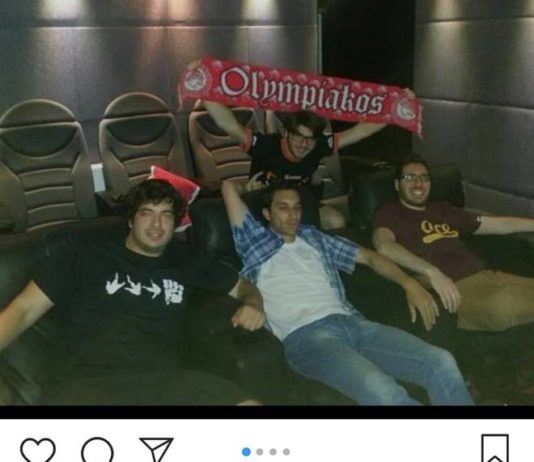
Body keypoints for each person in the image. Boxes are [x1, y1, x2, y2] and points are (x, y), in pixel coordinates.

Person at [0, 179, 265, 405]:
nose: (156, 225)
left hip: (166, 383)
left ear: (175, 223)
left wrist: (254, 304)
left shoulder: (186, 259)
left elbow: (243, 285)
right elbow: (24, 309)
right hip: (89, 386)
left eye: (166, 215)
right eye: (146, 213)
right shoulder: (85, 255)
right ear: (130, 219)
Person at [220, 179, 473, 405]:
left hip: (353, 323)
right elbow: (227, 187)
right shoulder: (254, 240)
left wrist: (410, 284)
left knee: (441, 362)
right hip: (306, 336)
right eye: (283, 208)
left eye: (297, 208)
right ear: (267, 213)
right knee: (384, 392)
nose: (293, 215)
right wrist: (249, 188)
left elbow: (371, 257)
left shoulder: (314, 238)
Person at [373, 153, 534, 333]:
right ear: (397, 184)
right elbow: (384, 246)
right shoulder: (391, 213)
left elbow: (500, 224)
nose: (418, 183)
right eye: (409, 177)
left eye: (424, 178)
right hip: (458, 286)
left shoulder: (443, 209)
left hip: (487, 276)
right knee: (503, 306)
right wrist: (432, 272)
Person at [203, 97, 388, 230]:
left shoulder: (319, 146)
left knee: (336, 221)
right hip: (265, 205)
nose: (304, 144)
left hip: (299, 205)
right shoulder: (267, 145)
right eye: (299, 136)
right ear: (287, 133)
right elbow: (230, 125)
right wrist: (203, 87)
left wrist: (393, 109)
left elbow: (360, 131)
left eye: (310, 139)